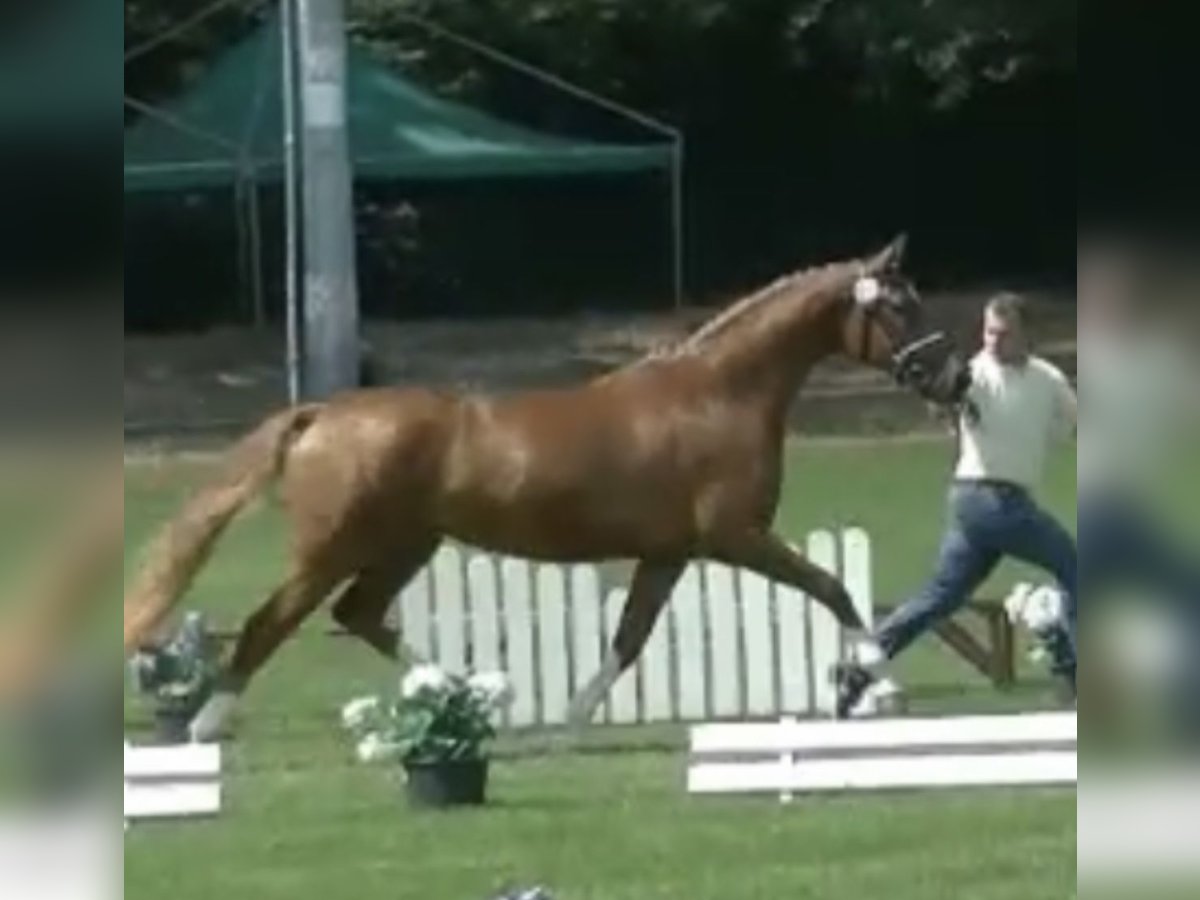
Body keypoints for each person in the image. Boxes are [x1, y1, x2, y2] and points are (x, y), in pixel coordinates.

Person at [836, 292, 1079, 717]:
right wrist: (933, 388)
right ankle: (1069, 665)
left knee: (941, 599)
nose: (991, 342)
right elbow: (944, 387)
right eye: (987, 332)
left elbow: (1071, 425)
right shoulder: (973, 374)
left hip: (992, 503)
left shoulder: (1047, 379)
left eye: (1002, 334)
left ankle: (862, 666)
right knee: (1076, 567)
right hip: (986, 498)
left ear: (1026, 335)